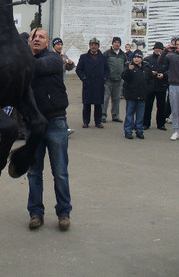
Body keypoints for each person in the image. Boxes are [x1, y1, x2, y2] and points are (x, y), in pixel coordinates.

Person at [26, 28, 72, 232]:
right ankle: (36, 213)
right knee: (34, 172)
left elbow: (35, 67)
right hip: (32, 125)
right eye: (33, 37)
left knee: (60, 172)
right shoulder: (25, 61)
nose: (36, 39)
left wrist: (16, 56)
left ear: (47, 43)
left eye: (41, 37)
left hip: (55, 122)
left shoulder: (53, 59)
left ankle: (63, 213)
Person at [76, 37, 110, 128]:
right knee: (86, 104)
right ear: (89, 46)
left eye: (95, 45)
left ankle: (98, 122)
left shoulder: (103, 57)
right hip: (88, 83)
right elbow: (78, 69)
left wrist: (104, 78)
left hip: (99, 84)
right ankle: (86, 121)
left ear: (98, 46)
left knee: (98, 104)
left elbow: (107, 70)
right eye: (92, 45)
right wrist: (83, 78)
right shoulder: (83, 57)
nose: (93, 47)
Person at [122, 49, 151, 139]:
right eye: (135, 57)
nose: (136, 59)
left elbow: (150, 80)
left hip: (142, 95)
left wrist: (148, 90)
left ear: (142, 59)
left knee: (140, 115)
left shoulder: (146, 68)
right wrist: (129, 70)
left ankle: (139, 130)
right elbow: (124, 77)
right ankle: (128, 131)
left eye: (138, 57)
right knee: (130, 114)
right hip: (131, 95)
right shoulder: (129, 67)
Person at [143, 42, 168, 131]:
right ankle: (145, 123)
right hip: (150, 86)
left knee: (161, 106)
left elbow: (169, 71)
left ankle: (161, 124)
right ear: (153, 49)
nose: (158, 50)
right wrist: (151, 73)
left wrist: (164, 75)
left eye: (160, 49)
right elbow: (144, 70)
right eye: (156, 48)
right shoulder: (147, 59)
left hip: (162, 86)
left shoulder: (166, 59)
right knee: (148, 105)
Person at [52, 37, 75, 135]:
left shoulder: (64, 55)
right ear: (54, 46)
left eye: (61, 44)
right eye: (58, 44)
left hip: (60, 84)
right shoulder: (51, 55)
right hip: (52, 85)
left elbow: (68, 68)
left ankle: (63, 127)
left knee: (60, 106)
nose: (60, 46)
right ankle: (64, 127)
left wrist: (71, 63)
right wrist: (60, 63)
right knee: (57, 107)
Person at [102, 37, 126, 123]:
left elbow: (126, 66)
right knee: (105, 98)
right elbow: (102, 65)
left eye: (118, 42)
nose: (117, 44)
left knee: (116, 99)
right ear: (112, 43)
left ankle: (115, 115)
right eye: (115, 42)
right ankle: (103, 115)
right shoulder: (107, 53)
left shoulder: (123, 55)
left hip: (119, 80)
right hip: (108, 80)